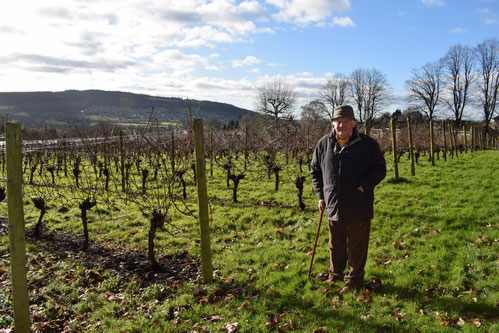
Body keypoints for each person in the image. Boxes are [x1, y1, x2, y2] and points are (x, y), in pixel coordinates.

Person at [310, 105, 386, 292]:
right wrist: (321, 196)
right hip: (333, 204)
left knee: (356, 247)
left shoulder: (367, 144)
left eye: (345, 122)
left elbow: (380, 169)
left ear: (353, 124)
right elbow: (315, 170)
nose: (341, 125)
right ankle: (335, 275)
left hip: (358, 205)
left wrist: (364, 186)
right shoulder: (324, 144)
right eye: (338, 122)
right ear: (333, 123)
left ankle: (353, 280)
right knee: (335, 245)